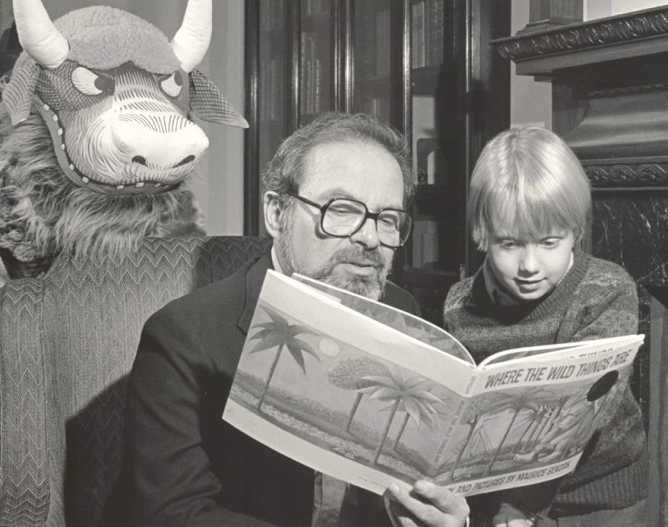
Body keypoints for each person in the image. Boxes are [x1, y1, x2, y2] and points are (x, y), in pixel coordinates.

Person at [104, 112, 470, 526]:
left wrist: (434, 512)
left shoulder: (402, 313)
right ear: (278, 213)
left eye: (387, 219)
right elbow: (173, 516)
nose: (370, 238)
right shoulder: (182, 337)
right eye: (343, 209)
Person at [443, 127, 647, 526]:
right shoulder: (459, 305)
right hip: (495, 497)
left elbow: (583, 416)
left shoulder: (605, 291)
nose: (530, 266)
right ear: (482, 235)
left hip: (598, 498)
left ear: (577, 231)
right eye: (509, 244)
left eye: (549, 242)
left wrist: (521, 508)